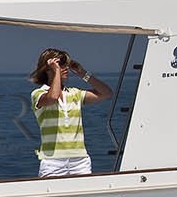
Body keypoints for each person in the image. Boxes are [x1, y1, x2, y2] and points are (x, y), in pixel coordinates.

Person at [28, 47, 113, 177]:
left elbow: (106, 93)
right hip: (53, 161)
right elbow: (53, 98)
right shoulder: (38, 94)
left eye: (65, 64)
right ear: (47, 68)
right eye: (60, 64)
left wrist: (82, 73)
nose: (65, 68)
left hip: (80, 160)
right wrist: (56, 71)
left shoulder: (75, 93)